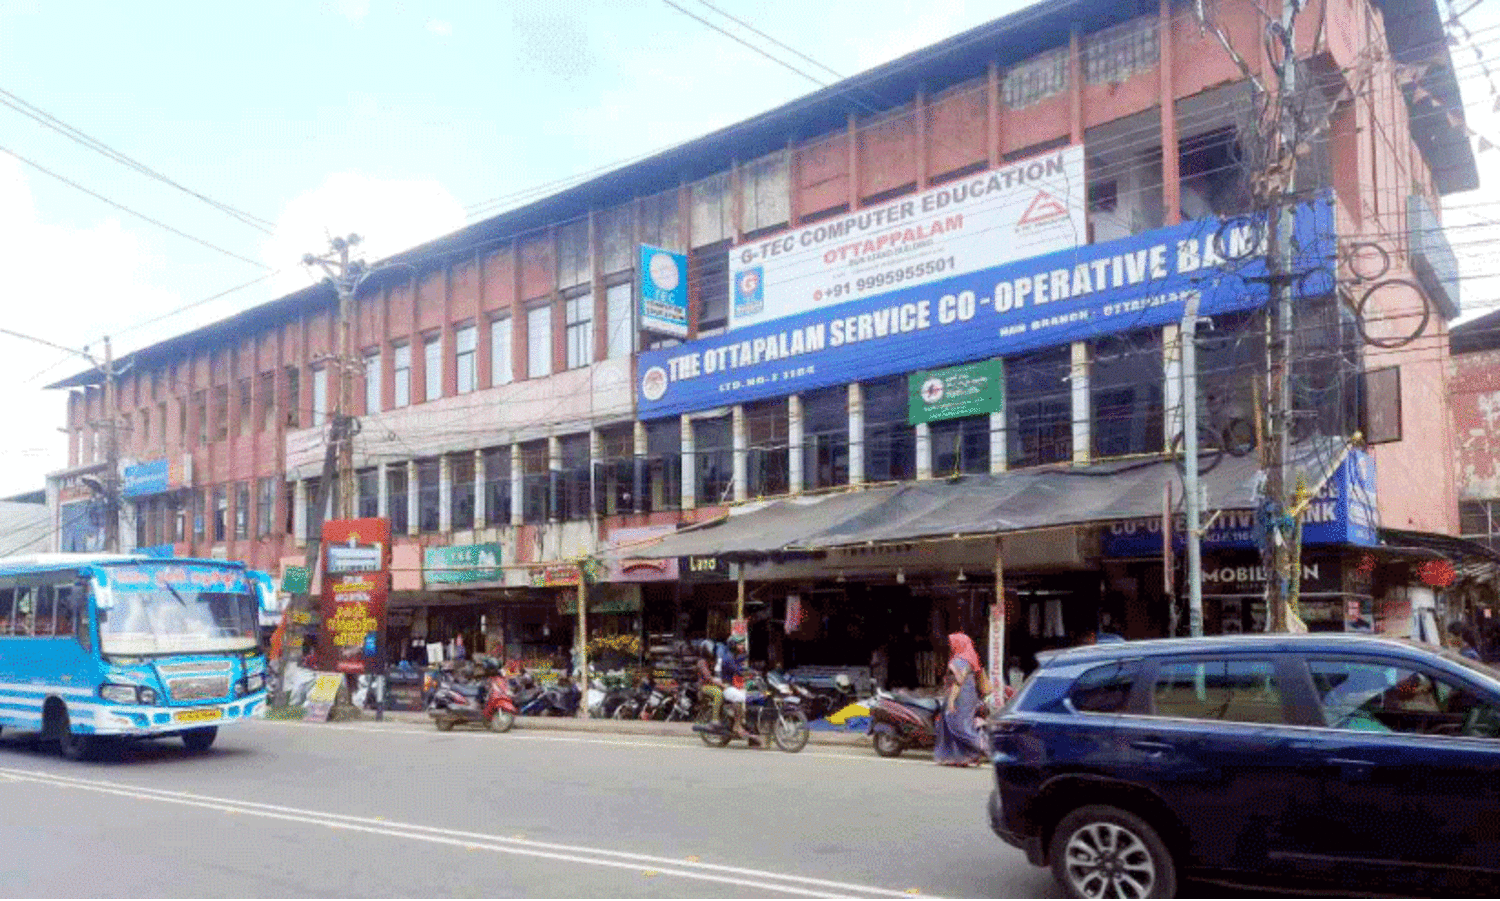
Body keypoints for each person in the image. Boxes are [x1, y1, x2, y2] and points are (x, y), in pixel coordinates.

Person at [934, 632, 989, 767]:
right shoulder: (972, 658)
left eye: (952, 643)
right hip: (968, 697)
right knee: (951, 726)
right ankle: (962, 757)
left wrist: (952, 700)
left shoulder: (960, 660)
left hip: (960, 698)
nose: (950, 646)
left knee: (958, 727)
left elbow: (958, 682)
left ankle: (986, 747)